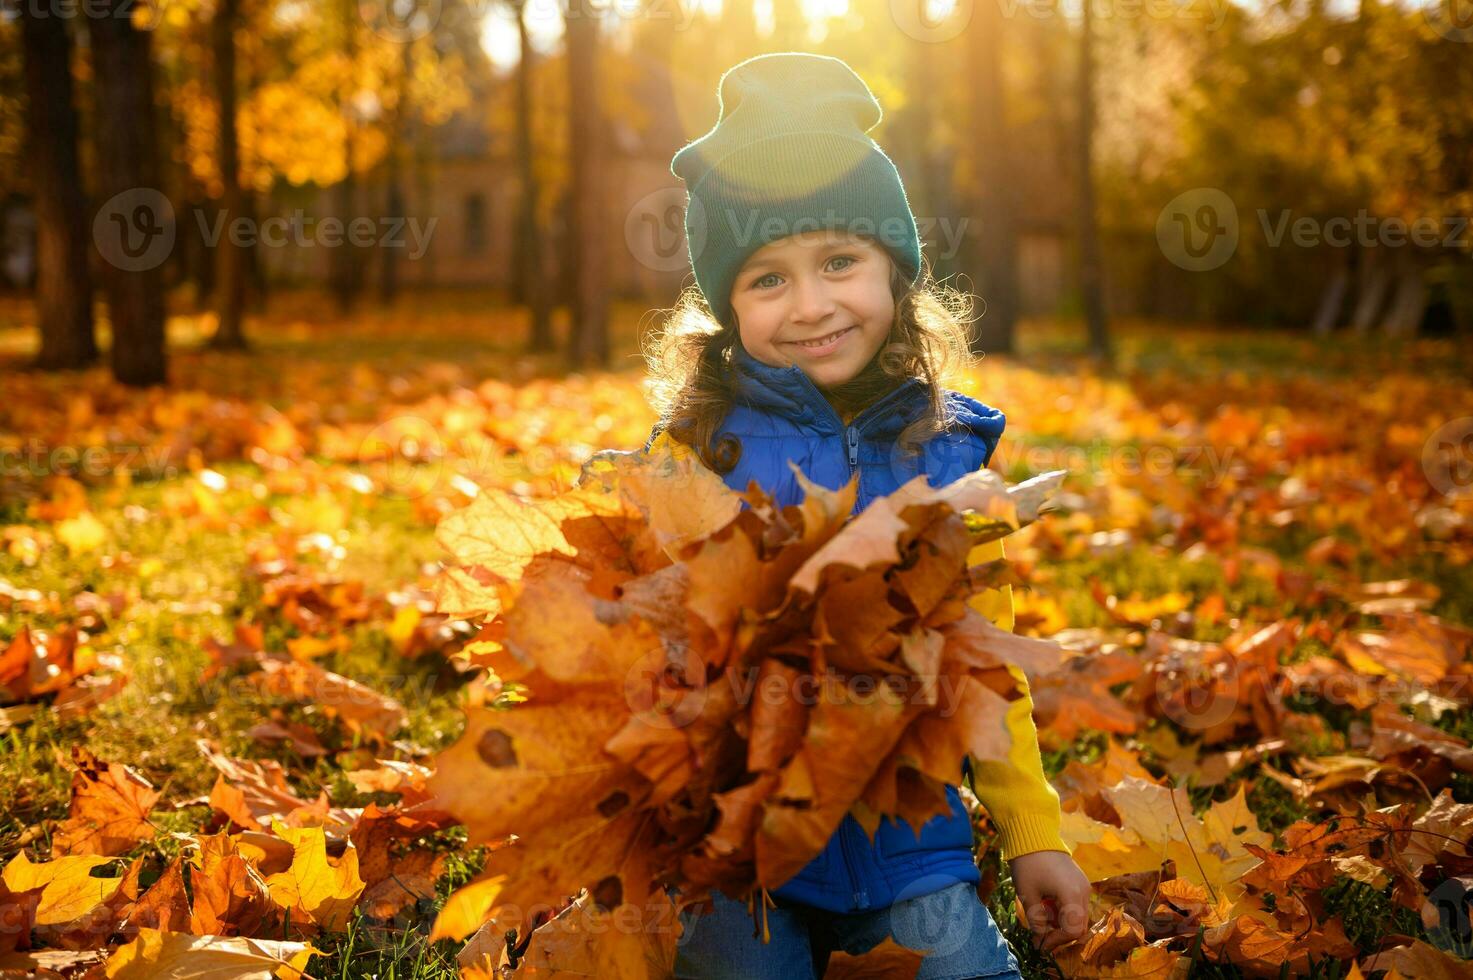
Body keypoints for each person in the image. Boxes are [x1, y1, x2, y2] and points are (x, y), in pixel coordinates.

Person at [640, 51, 1091, 979]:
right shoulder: (696, 454)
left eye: (839, 261)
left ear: (895, 270)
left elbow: (983, 672)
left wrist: (1032, 831)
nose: (811, 306)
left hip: (905, 842)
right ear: (725, 306)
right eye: (766, 278)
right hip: (740, 853)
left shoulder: (947, 454)